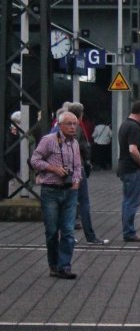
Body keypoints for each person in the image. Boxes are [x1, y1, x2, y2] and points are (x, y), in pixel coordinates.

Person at [30, 110, 83, 279]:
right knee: (52, 231)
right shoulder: (49, 140)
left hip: (69, 192)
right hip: (51, 190)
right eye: (69, 123)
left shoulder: (74, 143)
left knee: (68, 231)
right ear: (59, 125)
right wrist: (53, 168)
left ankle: (64, 266)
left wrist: (76, 181)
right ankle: (53, 265)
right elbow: (34, 160)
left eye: (75, 123)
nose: (73, 127)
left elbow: (77, 166)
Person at [65, 102, 108, 245]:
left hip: (64, 170)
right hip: (78, 168)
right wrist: (87, 161)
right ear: (80, 114)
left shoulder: (58, 128)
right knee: (84, 203)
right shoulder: (76, 128)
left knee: (68, 203)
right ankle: (90, 236)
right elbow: (83, 148)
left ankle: (67, 235)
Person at [118, 100, 140, 242]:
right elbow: (133, 149)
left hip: (124, 167)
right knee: (132, 201)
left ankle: (127, 230)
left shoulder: (124, 124)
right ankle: (129, 232)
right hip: (132, 169)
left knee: (127, 200)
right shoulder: (134, 127)